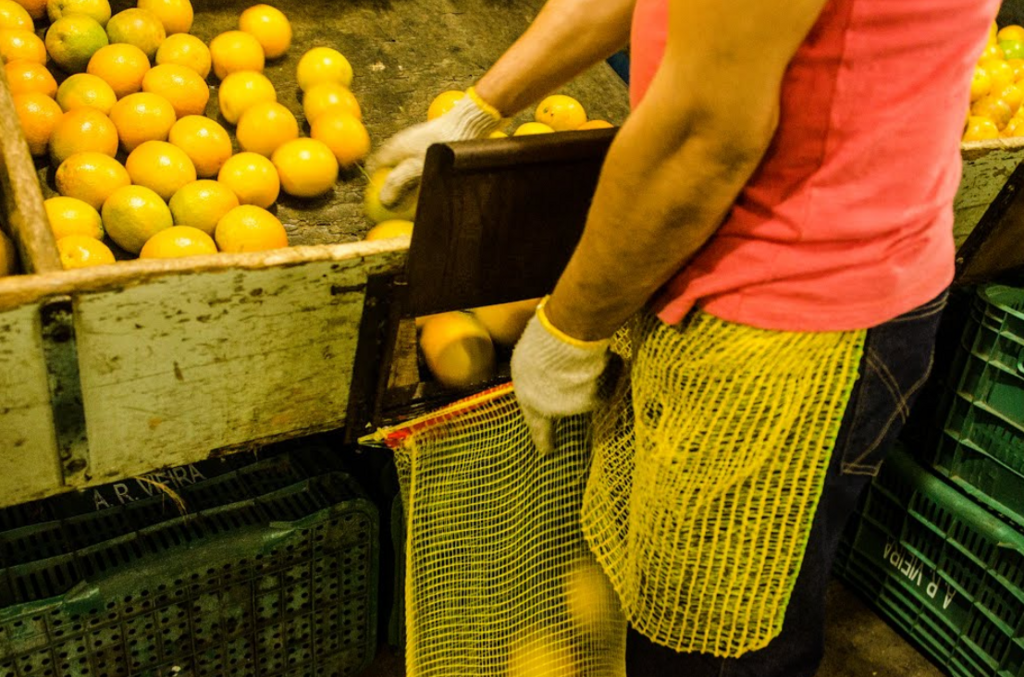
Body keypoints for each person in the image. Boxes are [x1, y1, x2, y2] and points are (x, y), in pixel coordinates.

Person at [370, 0, 1000, 674]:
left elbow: (705, 131)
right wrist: (477, 111)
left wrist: (570, 325)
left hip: (796, 323)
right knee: (674, 612)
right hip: (734, 278)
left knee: (719, 643)